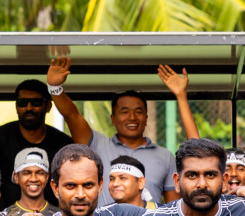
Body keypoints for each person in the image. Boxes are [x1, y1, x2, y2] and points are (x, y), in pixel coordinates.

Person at [61, 65, 189, 206]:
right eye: (125, 111)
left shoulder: (165, 156)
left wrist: (181, 95)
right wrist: (55, 88)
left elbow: (173, 209)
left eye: (138, 111)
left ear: (146, 118)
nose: (132, 117)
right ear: (112, 119)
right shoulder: (97, 145)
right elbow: (71, 116)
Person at [0, 59, 86, 208]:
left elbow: (73, 185)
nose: (28, 108)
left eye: (36, 103)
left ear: (48, 106)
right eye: (22, 103)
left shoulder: (63, 145)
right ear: (16, 106)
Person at [0, 147, 56, 216]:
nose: (33, 179)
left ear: (47, 176)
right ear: (16, 177)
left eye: (40, 173)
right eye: (26, 173)